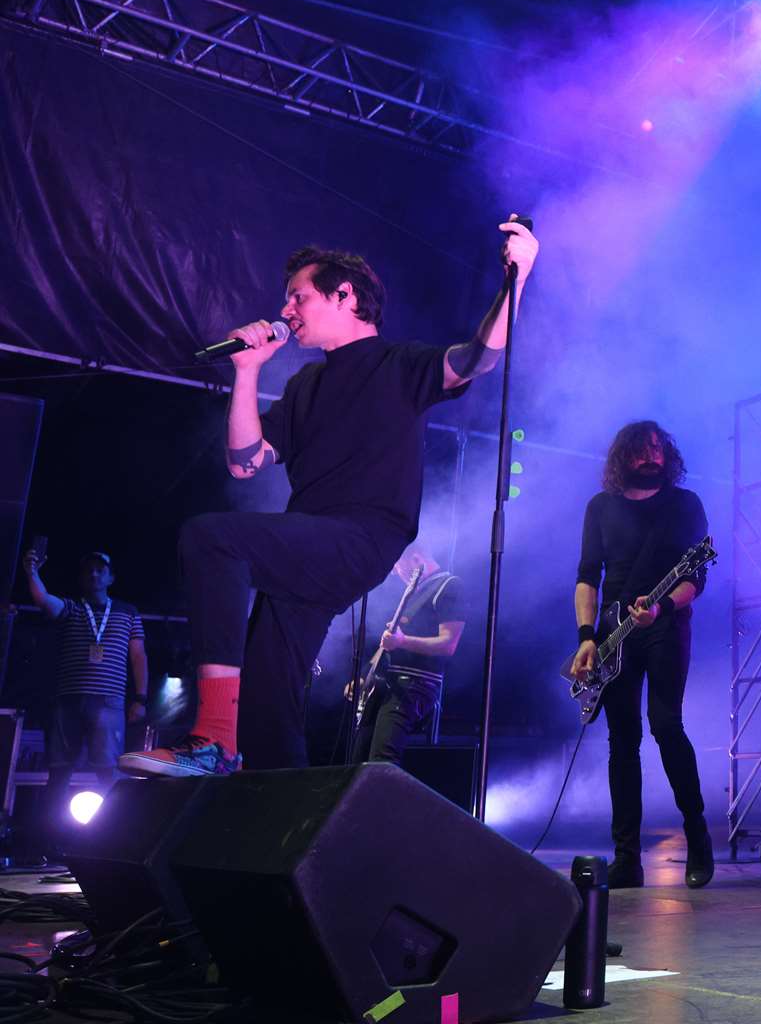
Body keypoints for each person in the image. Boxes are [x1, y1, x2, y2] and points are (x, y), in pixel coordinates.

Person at [120, 217, 538, 777]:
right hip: (307, 547)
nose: (286, 310)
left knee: (211, 538)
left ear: (345, 296)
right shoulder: (305, 386)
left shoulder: (400, 364)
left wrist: (517, 277)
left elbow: (478, 358)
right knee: (267, 699)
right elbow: (245, 462)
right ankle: (283, 821)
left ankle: (214, 737)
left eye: (299, 296)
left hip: (363, 538)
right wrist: (247, 371)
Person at [571, 422, 712, 889]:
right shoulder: (600, 507)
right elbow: (587, 577)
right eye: (641, 448)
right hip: (614, 634)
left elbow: (696, 577)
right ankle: (627, 858)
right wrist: (586, 637)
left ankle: (698, 835)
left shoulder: (684, 505)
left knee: (666, 725)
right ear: (622, 456)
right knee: (622, 741)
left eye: (658, 447)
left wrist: (663, 607)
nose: (651, 455)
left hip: (665, 625)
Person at [21, 549, 147, 807]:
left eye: (100, 570)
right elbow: (43, 599)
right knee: (59, 768)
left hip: (108, 700)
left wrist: (141, 698)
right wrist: (32, 572)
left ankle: (113, 826)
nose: (94, 574)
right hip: (69, 699)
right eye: (89, 570)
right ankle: (52, 826)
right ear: (81, 578)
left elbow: (138, 656)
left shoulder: (128, 612)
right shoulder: (72, 607)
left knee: (108, 768)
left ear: (111, 578)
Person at [350, 545, 463, 765]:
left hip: (414, 685)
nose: (394, 572)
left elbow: (448, 644)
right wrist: (364, 676)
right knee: (358, 760)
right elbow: (388, 645)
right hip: (386, 683)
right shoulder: (413, 592)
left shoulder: (449, 586)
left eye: (397, 565)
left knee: (382, 760)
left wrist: (402, 641)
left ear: (416, 560)